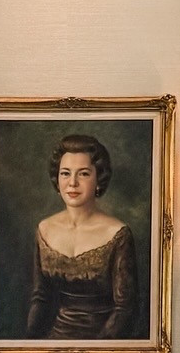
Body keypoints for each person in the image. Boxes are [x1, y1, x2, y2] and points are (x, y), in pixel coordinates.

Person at [26, 133, 139, 340]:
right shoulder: (45, 228)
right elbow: (40, 298)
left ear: (99, 179)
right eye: (65, 173)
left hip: (105, 348)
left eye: (84, 174)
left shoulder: (117, 234)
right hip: (54, 344)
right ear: (57, 179)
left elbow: (125, 309)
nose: (73, 183)